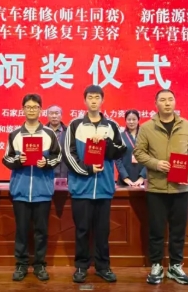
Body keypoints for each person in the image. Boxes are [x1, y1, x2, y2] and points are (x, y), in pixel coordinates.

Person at [133, 89, 188, 286]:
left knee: (178, 230)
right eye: (163, 100)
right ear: (156, 104)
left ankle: (175, 266)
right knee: (156, 230)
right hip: (157, 188)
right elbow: (139, 152)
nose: (167, 103)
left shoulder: (186, 125)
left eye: (170, 99)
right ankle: (156, 265)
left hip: (180, 188)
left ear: (175, 102)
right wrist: (156, 164)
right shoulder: (147, 127)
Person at [63, 85, 126, 283]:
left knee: (102, 231)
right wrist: (88, 169)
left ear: (102, 100)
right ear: (84, 100)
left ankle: (103, 267)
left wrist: (105, 142)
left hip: (104, 188)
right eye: (90, 97)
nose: (93, 101)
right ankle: (81, 267)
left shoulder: (112, 126)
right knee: (82, 230)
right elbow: (68, 155)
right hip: (81, 188)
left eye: (97, 97)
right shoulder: (75, 125)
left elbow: (120, 150)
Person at [2, 94, 62, 282]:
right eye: (28, 107)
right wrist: (18, 160)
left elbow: (58, 157)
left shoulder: (49, 134)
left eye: (35, 107)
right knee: (21, 231)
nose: (31, 110)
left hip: (42, 191)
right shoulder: (15, 134)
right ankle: (21, 265)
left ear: (40, 110)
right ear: (23, 109)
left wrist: (46, 162)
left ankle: (39, 265)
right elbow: (6, 158)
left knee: (41, 231)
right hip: (20, 191)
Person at [115, 110, 146, 187]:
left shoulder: (145, 136)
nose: (131, 122)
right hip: (124, 180)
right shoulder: (120, 136)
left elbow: (150, 158)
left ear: (138, 120)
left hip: (143, 179)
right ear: (125, 120)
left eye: (134, 119)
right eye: (129, 119)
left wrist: (142, 177)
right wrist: (125, 177)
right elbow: (118, 159)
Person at [46, 105, 70, 178]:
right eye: (51, 113)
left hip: (64, 172)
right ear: (47, 115)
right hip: (46, 171)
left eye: (56, 113)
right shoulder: (42, 132)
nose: (54, 116)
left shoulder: (69, 132)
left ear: (61, 115)